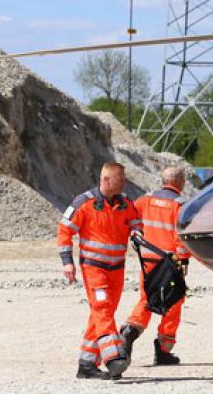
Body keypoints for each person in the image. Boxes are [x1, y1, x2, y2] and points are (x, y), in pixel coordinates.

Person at [58, 162, 142, 380]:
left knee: (102, 313)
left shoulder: (126, 204)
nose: (124, 183)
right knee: (102, 309)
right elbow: (64, 230)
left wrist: (136, 232)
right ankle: (113, 357)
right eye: (120, 179)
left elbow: (136, 222)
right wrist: (67, 261)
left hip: (117, 270)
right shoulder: (84, 203)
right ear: (106, 180)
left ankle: (86, 365)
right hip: (94, 269)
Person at [119, 167, 190, 366]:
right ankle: (164, 350)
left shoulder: (144, 200)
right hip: (170, 262)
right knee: (173, 302)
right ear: (181, 182)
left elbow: (130, 221)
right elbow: (181, 237)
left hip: (147, 260)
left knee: (147, 298)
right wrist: (183, 260)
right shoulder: (180, 206)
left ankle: (130, 330)